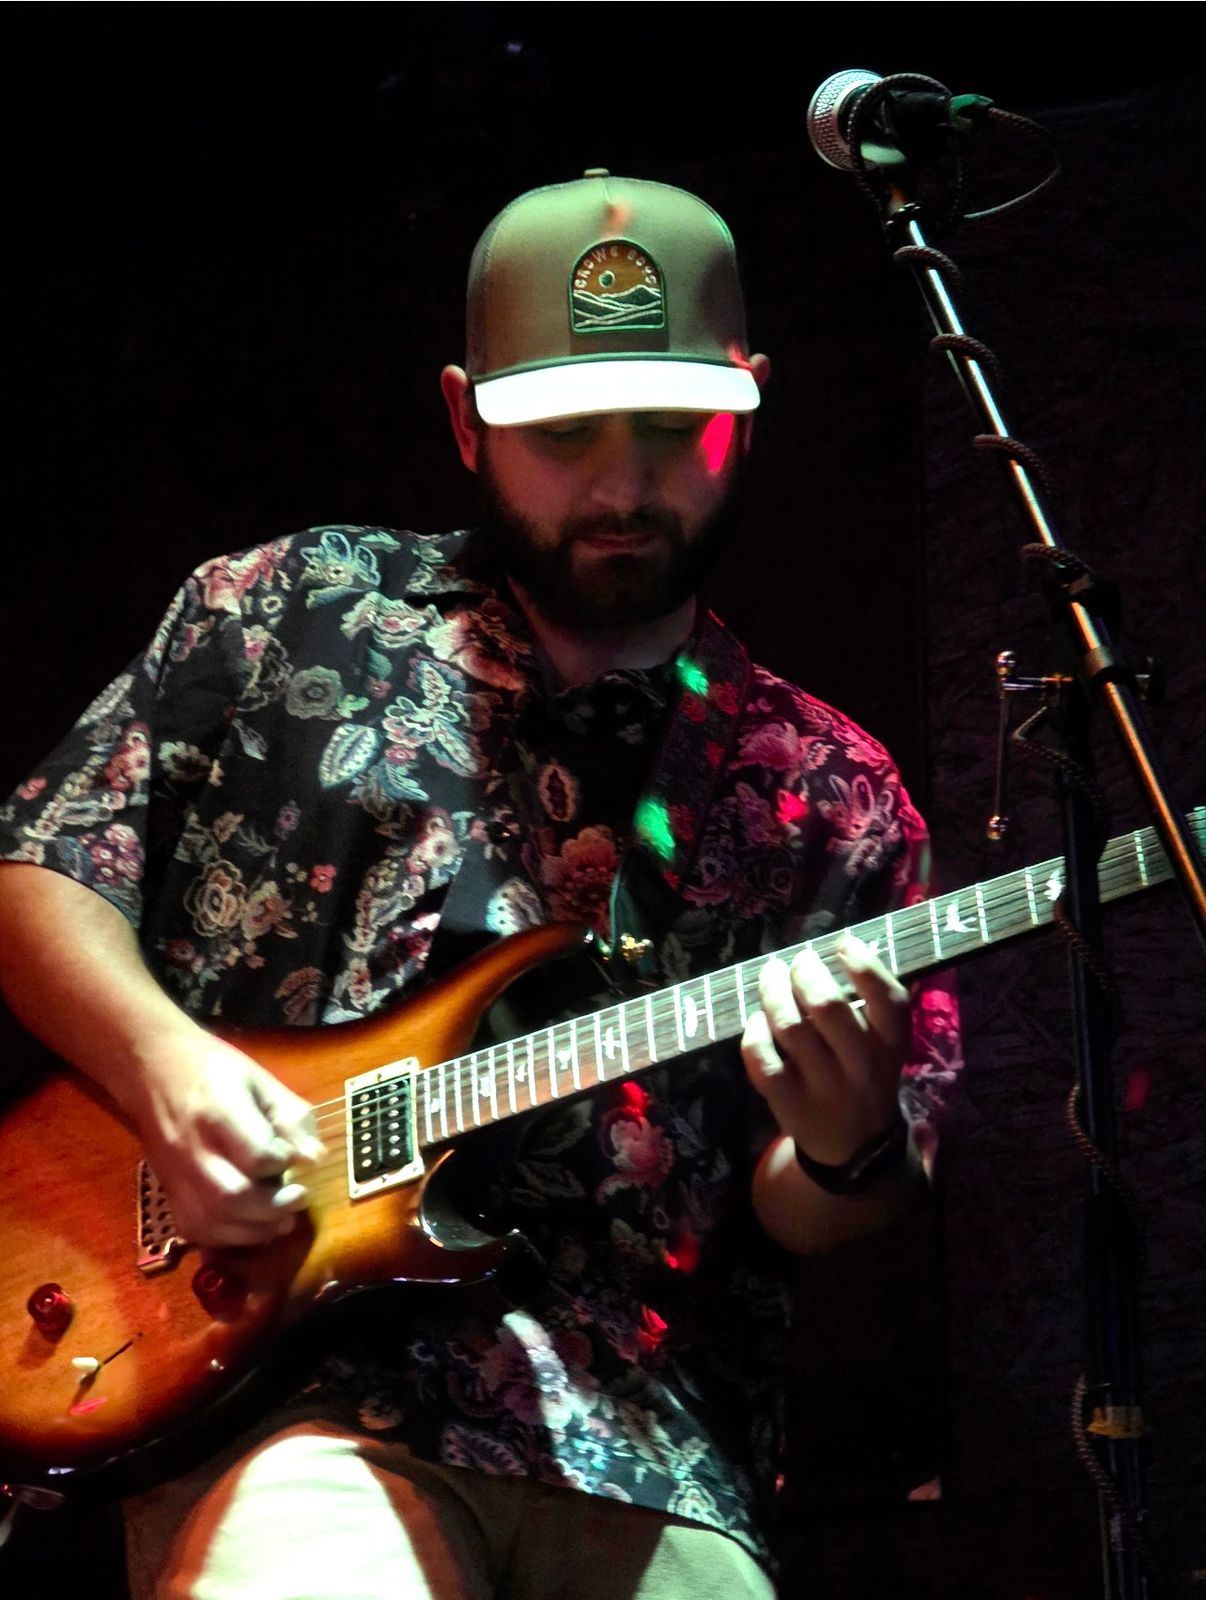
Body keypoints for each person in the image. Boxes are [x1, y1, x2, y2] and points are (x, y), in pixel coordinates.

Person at [0, 171, 961, 1600]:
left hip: (646, 1441)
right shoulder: (286, 612)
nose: (622, 487)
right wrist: (165, 1071)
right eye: (563, 436)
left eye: (672, 428)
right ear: (464, 421)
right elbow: (41, 869)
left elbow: (826, 1206)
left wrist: (841, 1145)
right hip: (294, 1401)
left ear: (751, 403)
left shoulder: (830, 787)